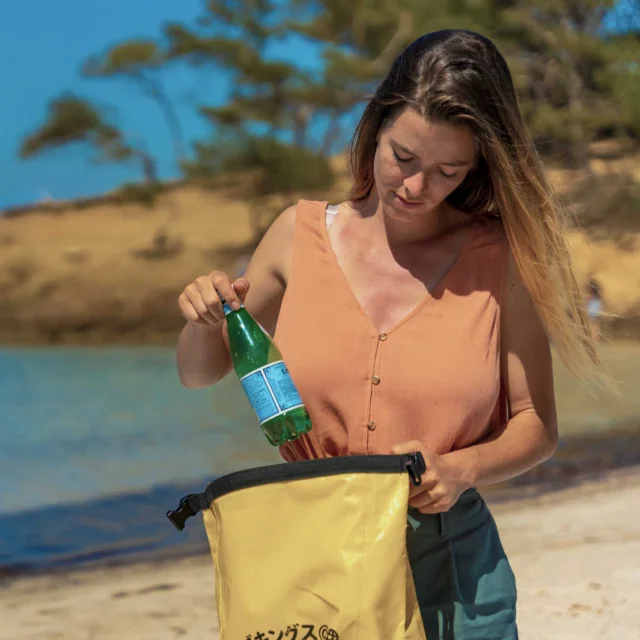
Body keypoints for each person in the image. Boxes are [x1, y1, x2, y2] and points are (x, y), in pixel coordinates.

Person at [176, 29, 602, 640]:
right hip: (314, 562)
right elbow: (199, 372)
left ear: (479, 164)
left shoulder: (502, 259)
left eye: (447, 171)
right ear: (374, 127)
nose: (415, 187)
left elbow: (537, 425)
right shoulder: (297, 236)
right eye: (402, 157)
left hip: (452, 571)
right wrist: (201, 321)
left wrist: (461, 468)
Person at [585, 277, 604, 343]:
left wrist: (587, 303)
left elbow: (589, 297)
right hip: (596, 303)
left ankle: (594, 337)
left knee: (592, 322)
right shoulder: (597, 291)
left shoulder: (591, 288)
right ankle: (596, 337)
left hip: (593, 304)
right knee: (595, 322)